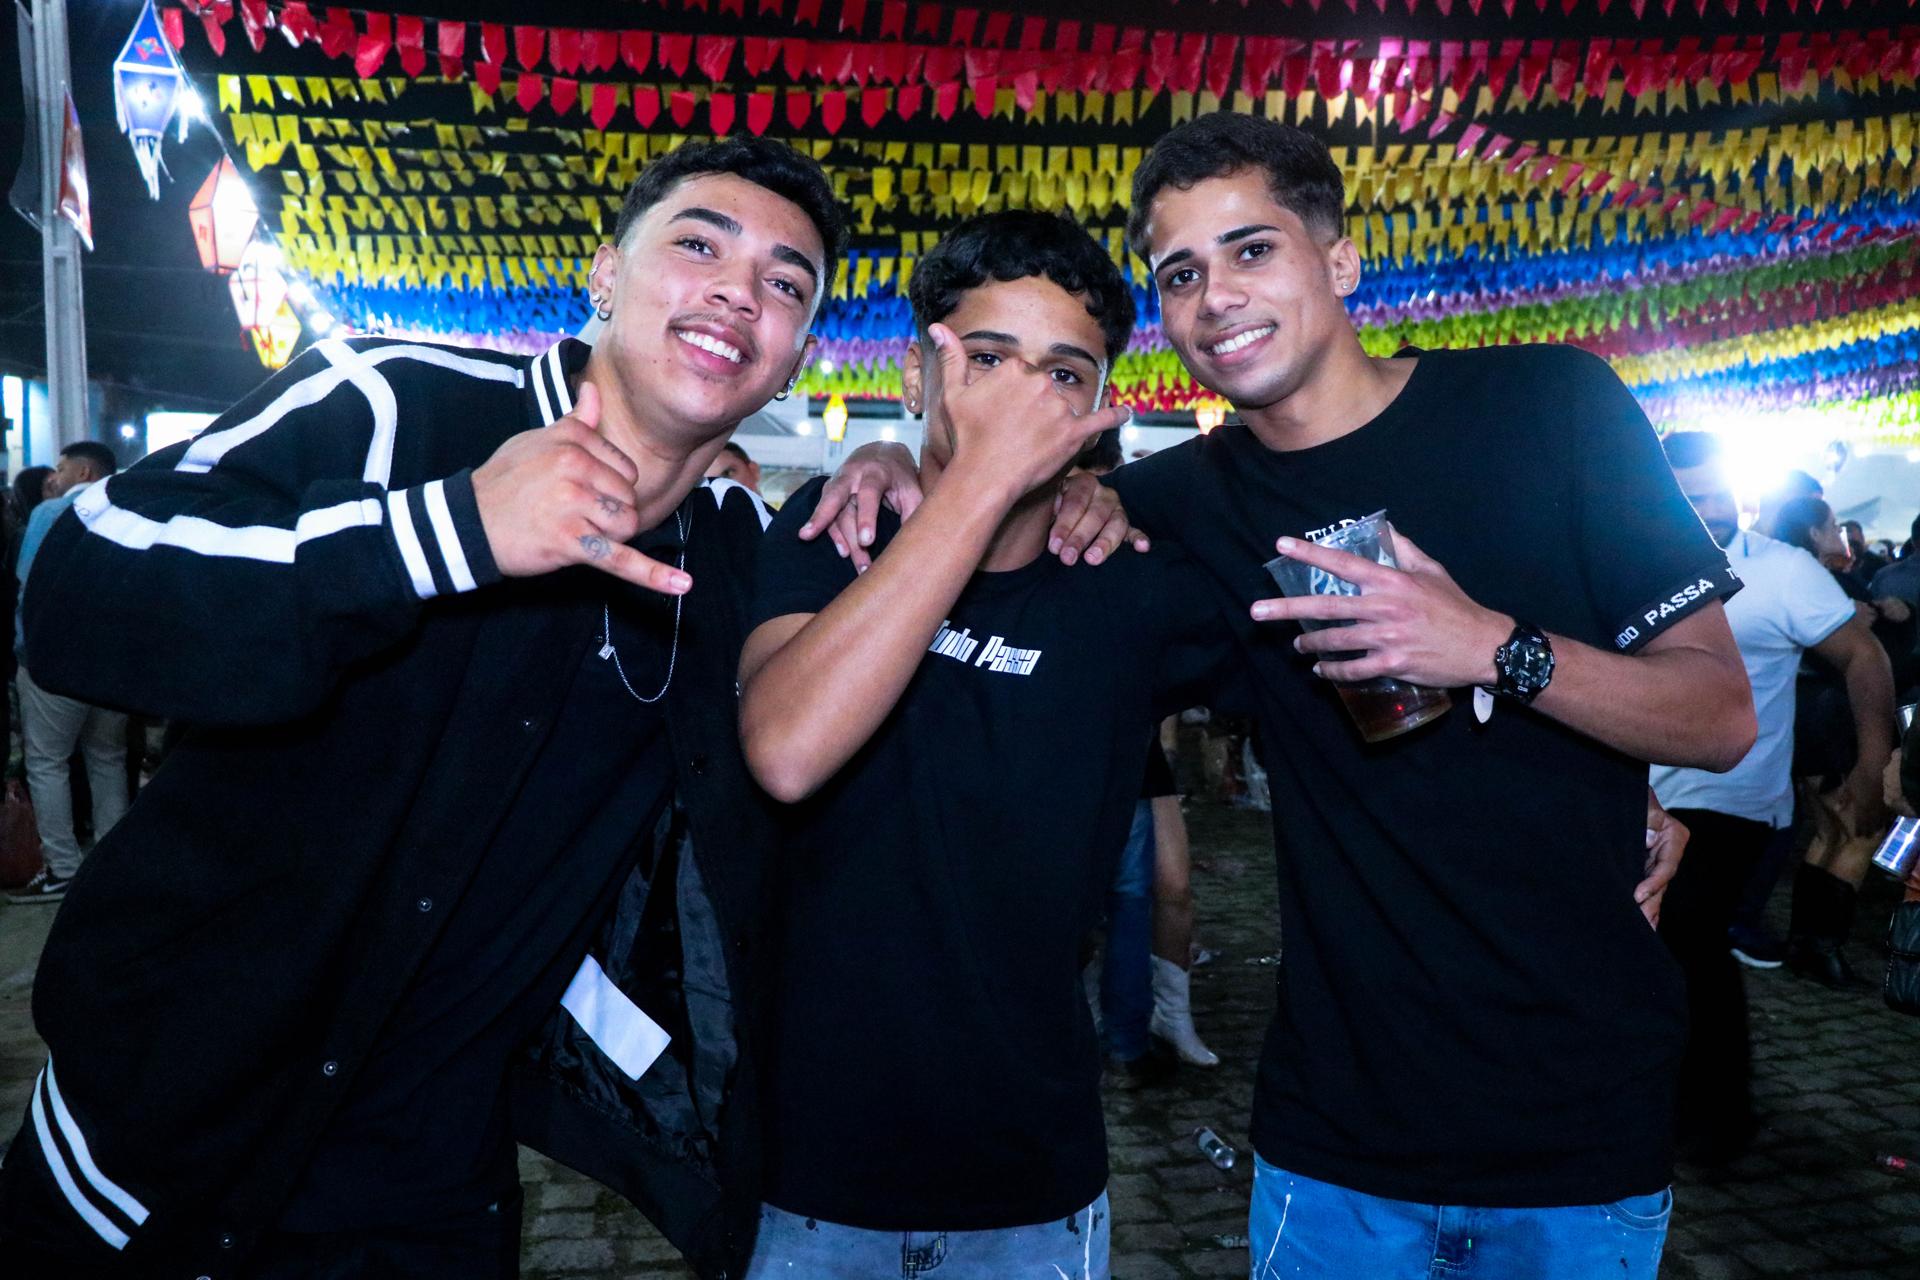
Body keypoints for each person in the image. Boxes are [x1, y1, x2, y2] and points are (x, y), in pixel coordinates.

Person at [810, 113, 1749, 1279]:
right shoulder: (1177, 503)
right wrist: (886, 461)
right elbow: (992, 510)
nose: (1217, 297)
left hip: (1582, 1120)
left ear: (1340, 259)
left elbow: (1719, 712)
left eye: (1252, 249)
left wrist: (1492, 647)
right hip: (1336, 1141)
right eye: (1181, 274)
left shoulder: (1547, 405)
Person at [0, 137, 844, 1280]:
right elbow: (80, 586)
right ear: (604, 273)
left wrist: (905, 471)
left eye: (787, 283)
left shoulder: (738, 562)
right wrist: (444, 531)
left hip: (426, 1189)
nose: (741, 290)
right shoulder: (400, 397)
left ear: (793, 358)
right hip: (143, 1150)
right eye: (700, 244)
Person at [735, 210, 1225, 1279]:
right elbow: (786, 749)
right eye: (988, 360)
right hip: (813, 1179)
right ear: (920, 376)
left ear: (1093, 412)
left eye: (1063, 375)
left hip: (1032, 1182)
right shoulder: (837, 525)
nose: (1020, 399)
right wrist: (974, 484)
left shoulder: (1129, 580)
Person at [1651, 434, 1890, 1164]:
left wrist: (1872, 762)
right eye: (1690, 497)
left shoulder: (1782, 570)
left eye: (1717, 493)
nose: (1710, 509)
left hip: (1735, 797)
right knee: (1649, 943)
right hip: (1639, 793)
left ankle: (1718, 1121)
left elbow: (1863, 655)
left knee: (1690, 934)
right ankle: (1659, 1098)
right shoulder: (1634, 561)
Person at [1763, 495, 1900, 987]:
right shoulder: (1821, 584)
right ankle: (1824, 948)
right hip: (1834, 719)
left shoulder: (1786, 576)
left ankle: (1804, 943)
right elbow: (1860, 654)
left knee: (1827, 832)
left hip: (1804, 718)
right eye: (1833, 525)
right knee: (1860, 831)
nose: (1839, 533)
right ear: (1815, 533)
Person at [8, 443, 132, 904]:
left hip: (54, 656)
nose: (53, 477)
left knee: (48, 762)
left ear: (83, 472)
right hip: (113, 659)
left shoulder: (51, 513)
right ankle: (114, 862)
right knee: (108, 758)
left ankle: (63, 868)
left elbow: (29, 582)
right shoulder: (132, 510)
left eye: (60, 469)